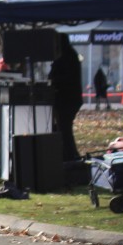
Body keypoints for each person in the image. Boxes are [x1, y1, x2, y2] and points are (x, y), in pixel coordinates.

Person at [49, 33, 83, 162]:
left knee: (64, 129)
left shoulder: (65, 56)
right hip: (70, 98)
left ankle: (69, 156)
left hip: (66, 99)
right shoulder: (70, 54)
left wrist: (53, 80)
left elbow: (62, 77)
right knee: (65, 129)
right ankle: (69, 154)